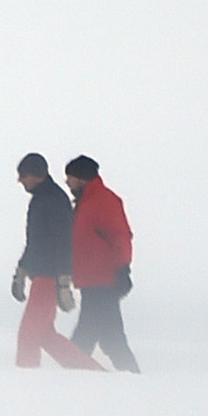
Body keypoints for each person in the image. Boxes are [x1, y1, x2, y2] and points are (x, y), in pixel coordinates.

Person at [10, 153, 101, 370]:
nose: (20, 180)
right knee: (44, 335)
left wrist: (63, 280)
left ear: (37, 175)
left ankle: (25, 380)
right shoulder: (42, 199)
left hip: (49, 277)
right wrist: (21, 271)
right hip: (42, 275)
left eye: (23, 175)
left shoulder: (53, 200)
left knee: (29, 334)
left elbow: (63, 242)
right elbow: (35, 242)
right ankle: (92, 372)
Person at [65, 154, 138, 372]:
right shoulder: (87, 202)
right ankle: (72, 373)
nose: (67, 183)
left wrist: (122, 270)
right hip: (92, 280)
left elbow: (121, 237)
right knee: (92, 334)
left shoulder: (105, 201)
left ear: (81, 178)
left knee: (107, 337)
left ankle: (133, 378)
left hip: (104, 281)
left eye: (69, 178)